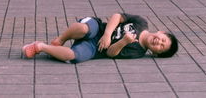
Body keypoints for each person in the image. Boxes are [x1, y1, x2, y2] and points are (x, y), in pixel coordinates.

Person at [22, 12, 178, 63]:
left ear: (155, 53)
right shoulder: (141, 23)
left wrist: (124, 42)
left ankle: (40, 47)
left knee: (73, 57)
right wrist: (107, 35)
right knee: (84, 28)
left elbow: (110, 54)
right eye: (162, 40)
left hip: (95, 49)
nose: (158, 42)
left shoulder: (138, 52)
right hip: (98, 28)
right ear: (161, 32)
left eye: (161, 47)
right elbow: (117, 16)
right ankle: (62, 39)